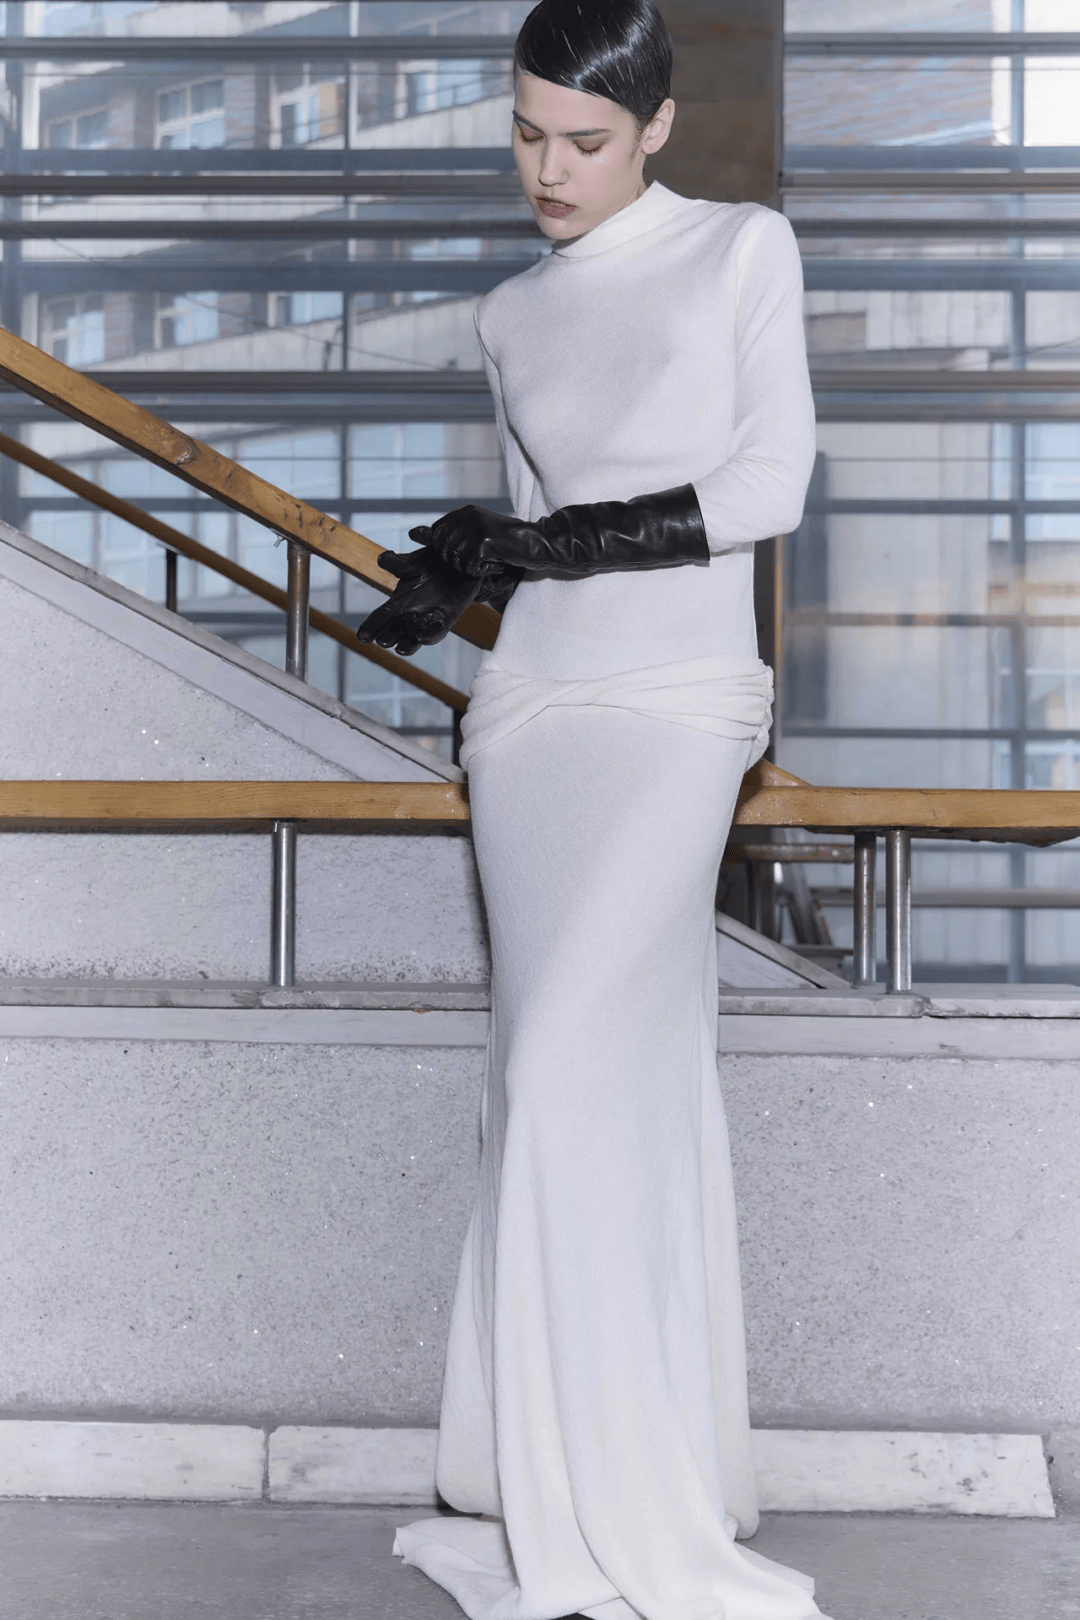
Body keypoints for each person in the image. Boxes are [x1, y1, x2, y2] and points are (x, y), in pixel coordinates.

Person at [356, 4, 825, 1617]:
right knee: (558, 1083)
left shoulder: (741, 250)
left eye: (587, 141)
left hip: (681, 704)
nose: (549, 171)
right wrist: (470, 574)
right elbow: (532, 521)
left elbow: (766, 487)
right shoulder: (510, 313)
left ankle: (633, 1498)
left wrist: (536, 545)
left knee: (568, 1065)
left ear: (660, 128)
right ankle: (555, 1473)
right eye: (526, 134)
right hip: (532, 717)